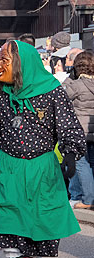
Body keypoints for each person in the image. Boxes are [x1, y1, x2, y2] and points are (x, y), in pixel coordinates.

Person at [0, 40, 85, 258]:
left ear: (22, 64)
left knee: (39, 225)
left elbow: (69, 126)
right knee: (10, 222)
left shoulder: (52, 92)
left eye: (5, 61)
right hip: (10, 167)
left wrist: (70, 153)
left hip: (42, 168)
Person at [63, 50, 94, 209]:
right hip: (92, 129)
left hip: (79, 131)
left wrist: (69, 77)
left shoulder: (76, 85)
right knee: (91, 164)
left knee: (80, 164)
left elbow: (62, 95)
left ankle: (88, 200)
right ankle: (82, 197)